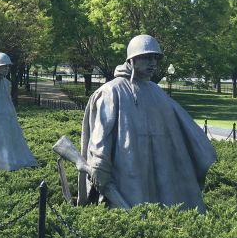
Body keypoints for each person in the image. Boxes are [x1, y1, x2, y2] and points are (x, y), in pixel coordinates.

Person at [79, 34, 216, 213]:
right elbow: (101, 135)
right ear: (132, 59)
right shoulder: (112, 91)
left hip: (158, 170)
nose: (152, 63)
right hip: (127, 171)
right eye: (146, 57)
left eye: (155, 58)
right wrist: (98, 164)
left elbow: (181, 129)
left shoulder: (156, 92)